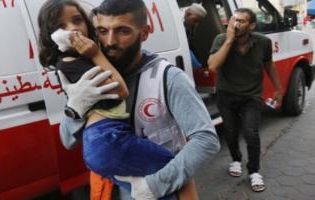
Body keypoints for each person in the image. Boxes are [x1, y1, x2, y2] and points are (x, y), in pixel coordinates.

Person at [37, 0, 207, 199]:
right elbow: (68, 141)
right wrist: (74, 109)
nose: (110, 41)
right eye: (102, 30)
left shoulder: (168, 77)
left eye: (123, 31)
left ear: (144, 33)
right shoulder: (90, 75)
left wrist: (155, 184)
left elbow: (205, 140)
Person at [208, 8, 283, 192]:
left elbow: (269, 65)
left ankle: (254, 171)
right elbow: (213, 66)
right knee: (231, 133)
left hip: (251, 96)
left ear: (252, 25)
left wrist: (279, 89)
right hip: (226, 95)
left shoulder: (263, 42)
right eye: (235, 20)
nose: (236, 24)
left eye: (241, 21)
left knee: (251, 134)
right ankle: (235, 160)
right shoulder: (221, 39)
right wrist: (229, 40)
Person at [184, 3, 207, 69]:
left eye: (199, 22)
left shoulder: (191, 25)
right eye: (195, 20)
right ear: (188, 14)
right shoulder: (176, 22)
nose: (197, 24)